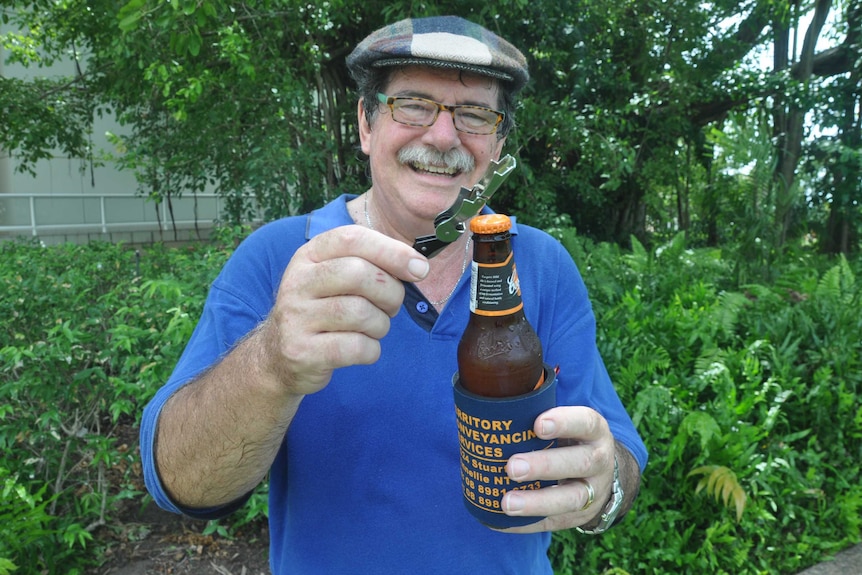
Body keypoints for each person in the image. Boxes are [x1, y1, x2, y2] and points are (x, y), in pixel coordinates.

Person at [140, 15, 648, 574]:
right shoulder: (278, 256)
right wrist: (272, 362)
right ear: (365, 122)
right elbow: (181, 483)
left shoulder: (543, 265)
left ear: (498, 142)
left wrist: (604, 489)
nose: (443, 136)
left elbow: (617, 459)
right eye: (412, 104)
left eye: (475, 114)